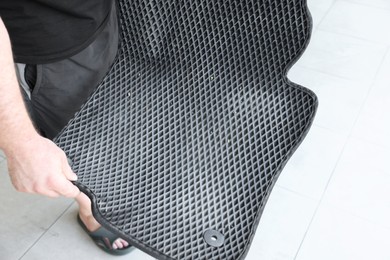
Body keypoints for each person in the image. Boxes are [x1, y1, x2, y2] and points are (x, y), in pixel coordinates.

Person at [0, 0, 132, 255]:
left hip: (94, 18)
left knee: (105, 106)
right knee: (76, 137)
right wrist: (20, 143)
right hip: (45, 45)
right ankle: (90, 207)